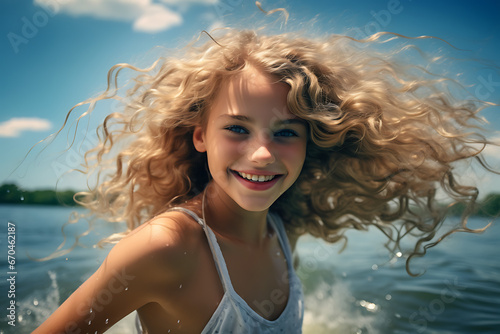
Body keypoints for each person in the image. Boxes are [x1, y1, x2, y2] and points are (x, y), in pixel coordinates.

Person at [34, 18, 496, 334]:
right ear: (200, 137)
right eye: (237, 128)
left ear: (310, 141)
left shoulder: (281, 227)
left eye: (285, 132)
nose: (261, 153)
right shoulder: (167, 247)